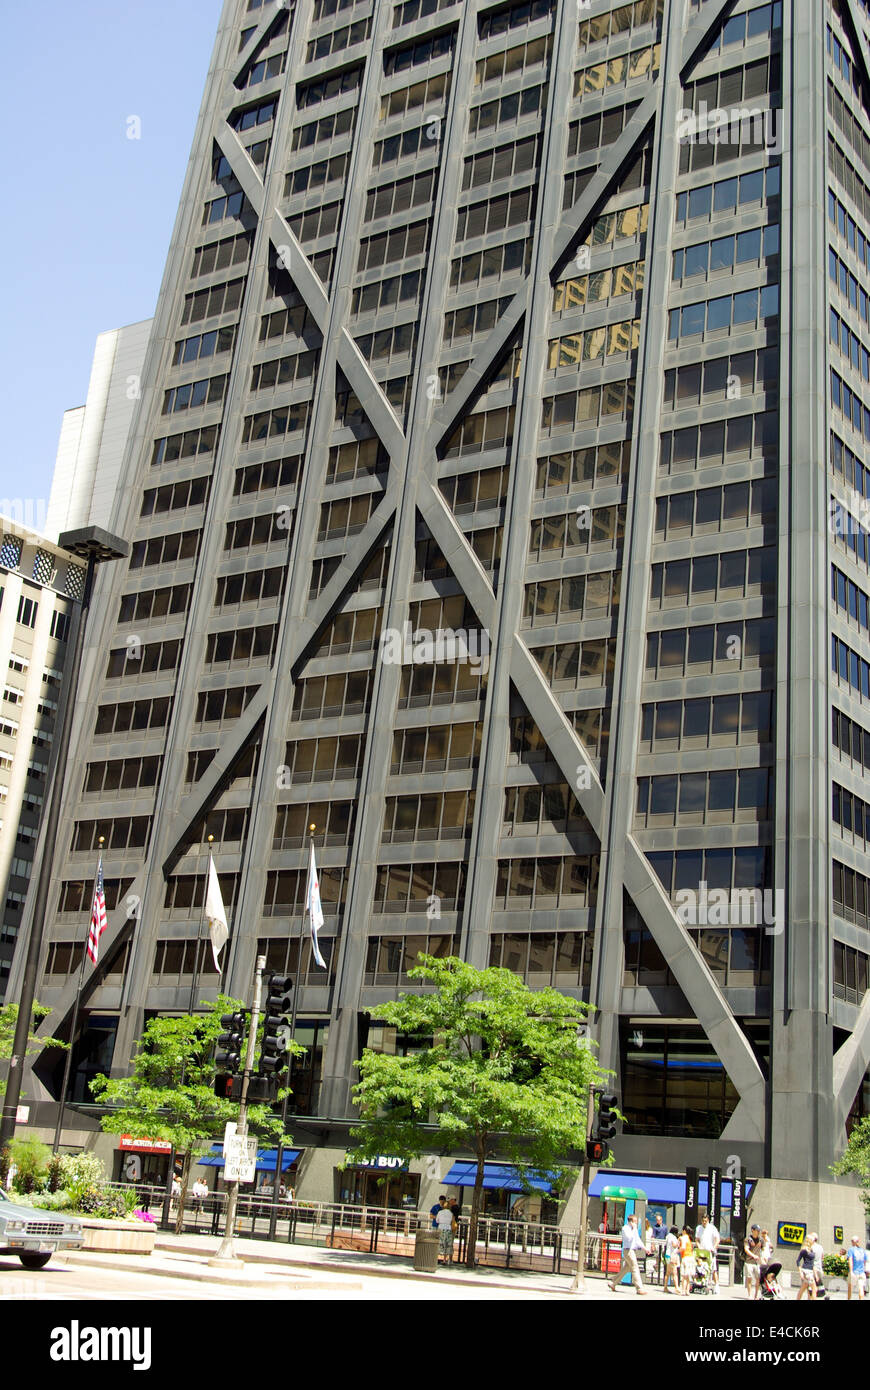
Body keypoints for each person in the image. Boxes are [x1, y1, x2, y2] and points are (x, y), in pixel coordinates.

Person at [608, 1212, 648, 1294]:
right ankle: (639, 1288)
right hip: (628, 1250)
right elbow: (629, 1238)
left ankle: (613, 1283)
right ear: (631, 1221)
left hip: (632, 1250)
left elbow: (637, 1240)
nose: (636, 1223)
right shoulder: (625, 1228)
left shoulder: (634, 1229)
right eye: (635, 1221)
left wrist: (645, 1248)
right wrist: (633, 1229)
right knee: (635, 1267)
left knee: (626, 1268)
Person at [695, 1212, 721, 1294]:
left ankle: (716, 1285)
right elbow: (697, 1239)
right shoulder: (698, 1228)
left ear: (708, 1220)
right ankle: (700, 1283)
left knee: (713, 1269)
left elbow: (717, 1239)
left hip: (710, 1251)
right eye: (703, 1221)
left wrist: (714, 1247)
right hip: (702, 1252)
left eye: (705, 1221)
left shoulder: (712, 1228)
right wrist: (699, 1247)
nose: (704, 1222)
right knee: (701, 1268)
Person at [743, 1224, 763, 1300]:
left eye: (759, 1231)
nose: (758, 1232)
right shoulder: (748, 1239)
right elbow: (746, 1249)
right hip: (749, 1262)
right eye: (757, 1231)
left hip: (757, 1263)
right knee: (749, 1278)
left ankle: (756, 1295)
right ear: (752, 1230)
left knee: (758, 1279)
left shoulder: (761, 1240)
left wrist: (763, 1259)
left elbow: (764, 1250)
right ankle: (749, 1295)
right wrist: (753, 1255)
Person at [796, 1235, 817, 1301]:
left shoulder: (811, 1249)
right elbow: (798, 1261)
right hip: (806, 1270)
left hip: (810, 1270)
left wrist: (815, 1273)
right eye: (812, 1240)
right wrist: (800, 1272)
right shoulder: (804, 1250)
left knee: (803, 1288)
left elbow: (812, 1263)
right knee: (814, 1288)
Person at [435, 1199, 455, 1264]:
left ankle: (436, 1258)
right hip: (448, 1228)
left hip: (441, 1227)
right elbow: (452, 1221)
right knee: (447, 1244)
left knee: (440, 1243)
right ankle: (445, 1260)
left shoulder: (440, 1212)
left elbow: (437, 1220)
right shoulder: (451, 1213)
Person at [847, 1235, 867, 1301]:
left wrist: (851, 1271)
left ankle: (849, 1299)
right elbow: (864, 1261)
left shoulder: (851, 1250)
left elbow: (850, 1261)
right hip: (861, 1272)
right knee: (861, 1288)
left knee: (850, 1287)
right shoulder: (862, 1251)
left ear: (853, 1242)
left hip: (854, 1272)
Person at [679, 1225, 696, 1296]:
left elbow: (682, 1248)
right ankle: (687, 1291)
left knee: (684, 1276)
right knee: (688, 1276)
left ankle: (683, 1290)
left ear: (684, 1231)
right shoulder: (689, 1238)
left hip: (685, 1257)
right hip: (690, 1257)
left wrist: (676, 1251)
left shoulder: (683, 1238)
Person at [663, 1225, 681, 1294]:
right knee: (674, 1272)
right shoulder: (673, 1237)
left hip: (667, 1255)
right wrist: (678, 1241)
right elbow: (674, 1245)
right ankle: (676, 1287)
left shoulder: (668, 1236)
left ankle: (665, 1287)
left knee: (667, 1272)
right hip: (672, 1255)